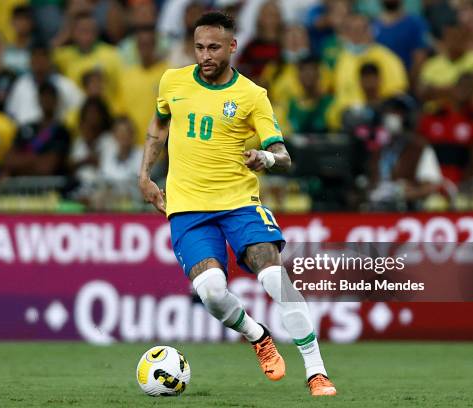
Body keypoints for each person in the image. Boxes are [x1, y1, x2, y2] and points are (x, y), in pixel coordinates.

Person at [138, 11, 337, 397]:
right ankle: (257, 336)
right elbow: (159, 124)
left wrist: (265, 159)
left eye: (214, 47)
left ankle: (316, 371)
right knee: (211, 291)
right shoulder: (172, 81)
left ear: (232, 46)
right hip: (189, 208)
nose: (205, 55)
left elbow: (283, 155)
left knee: (272, 277)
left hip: (239, 203)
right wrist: (145, 175)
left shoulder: (251, 95)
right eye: (199, 47)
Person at [3, 82, 71, 178]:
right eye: (43, 96)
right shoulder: (26, 127)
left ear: (57, 101)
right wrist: (34, 160)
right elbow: (9, 161)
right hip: (22, 189)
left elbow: (45, 167)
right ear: (38, 99)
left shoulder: (62, 131)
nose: (47, 100)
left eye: (50, 96)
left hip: (50, 189)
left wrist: (22, 161)